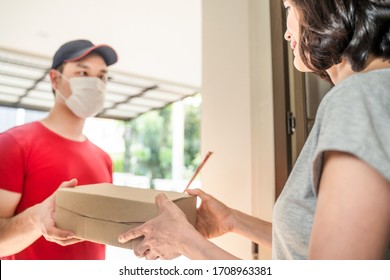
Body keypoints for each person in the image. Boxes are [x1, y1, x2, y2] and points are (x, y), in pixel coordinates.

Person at [118, 0, 390, 260]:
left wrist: (185, 242)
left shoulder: (360, 98)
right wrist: (233, 220)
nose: (286, 32)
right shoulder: (375, 93)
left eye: (289, 8)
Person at [0, 39, 118, 260]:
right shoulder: (12, 145)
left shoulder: (103, 159)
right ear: (55, 79)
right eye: (83, 73)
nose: (95, 83)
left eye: (101, 76)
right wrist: (36, 219)